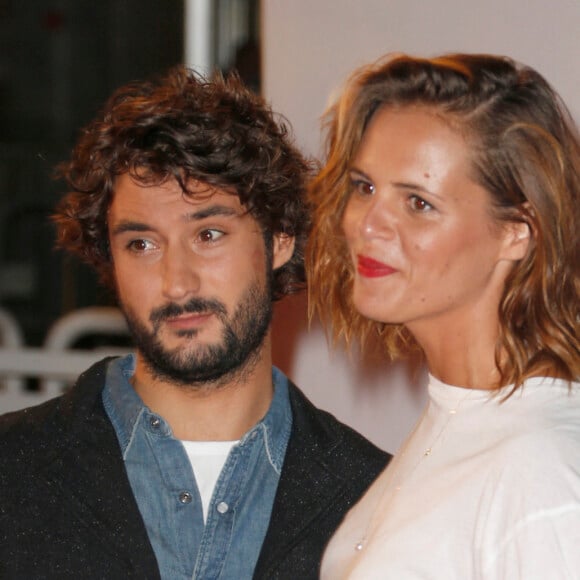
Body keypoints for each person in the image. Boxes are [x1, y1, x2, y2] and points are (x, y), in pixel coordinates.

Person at [0, 66, 389, 579]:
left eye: (208, 234)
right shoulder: (14, 473)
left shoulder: (379, 500)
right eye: (141, 245)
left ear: (281, 239)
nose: (176, 283)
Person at [307, 53, 580, 579]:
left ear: (517, 231)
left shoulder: (541, 468)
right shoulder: (462, 417)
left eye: (417, 202)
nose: (367, 224)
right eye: (364, 187)